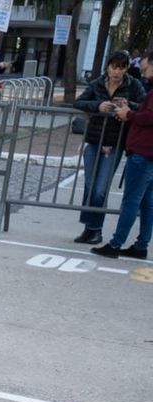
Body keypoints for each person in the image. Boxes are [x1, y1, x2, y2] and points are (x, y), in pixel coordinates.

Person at [73, 50, 146, 245]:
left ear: (127, 68)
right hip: (94, 139)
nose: (116, 72)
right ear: (108, 66)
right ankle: (88, 228)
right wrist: (98, 106)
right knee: (89, 186)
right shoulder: (98, 82)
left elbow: (144, 106)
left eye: (121, 68)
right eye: (114, 67)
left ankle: (96, 229)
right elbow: (79, 101)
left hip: (114, 143)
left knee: (100, 189)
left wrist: (128, 106)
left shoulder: (133, 85)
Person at [92, 55, 153, 260]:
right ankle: (141, 244)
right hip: (146, 153)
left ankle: (116, 243)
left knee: (131, 201)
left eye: (145, 69)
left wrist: (129, 114)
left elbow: (149, 117)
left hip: (144, 152)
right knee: (146, 202)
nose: (142, 73)